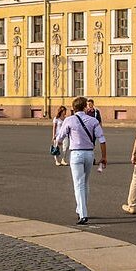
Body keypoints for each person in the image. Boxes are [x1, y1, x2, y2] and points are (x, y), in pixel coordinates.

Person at [53, 96, 107, 225]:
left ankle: (83, 214)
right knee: (85, 183)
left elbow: (60, 138)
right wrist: (104, 157)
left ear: (73, 108)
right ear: (85, 107)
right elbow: (102, 139)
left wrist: (57, 145)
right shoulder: (93, 120)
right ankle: (80, 208)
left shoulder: (69, 120)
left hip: (76, 154)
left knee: (78, 184)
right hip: (89, 154)